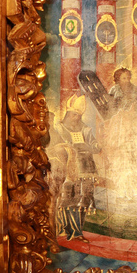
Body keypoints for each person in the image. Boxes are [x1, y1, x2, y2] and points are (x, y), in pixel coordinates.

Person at [48, 93, 100, 239]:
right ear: (68, 114)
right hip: (68, 168)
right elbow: (53, 146)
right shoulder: (59, 128)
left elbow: (95, 145)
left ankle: (77, 231)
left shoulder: (85, 129)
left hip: (86, 168)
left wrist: (92, 146)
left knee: (83, 200)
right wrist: (67, 147)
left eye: (78, 116)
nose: (76, 118)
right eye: (73, 115)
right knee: (66, 199)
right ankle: (64, 229)